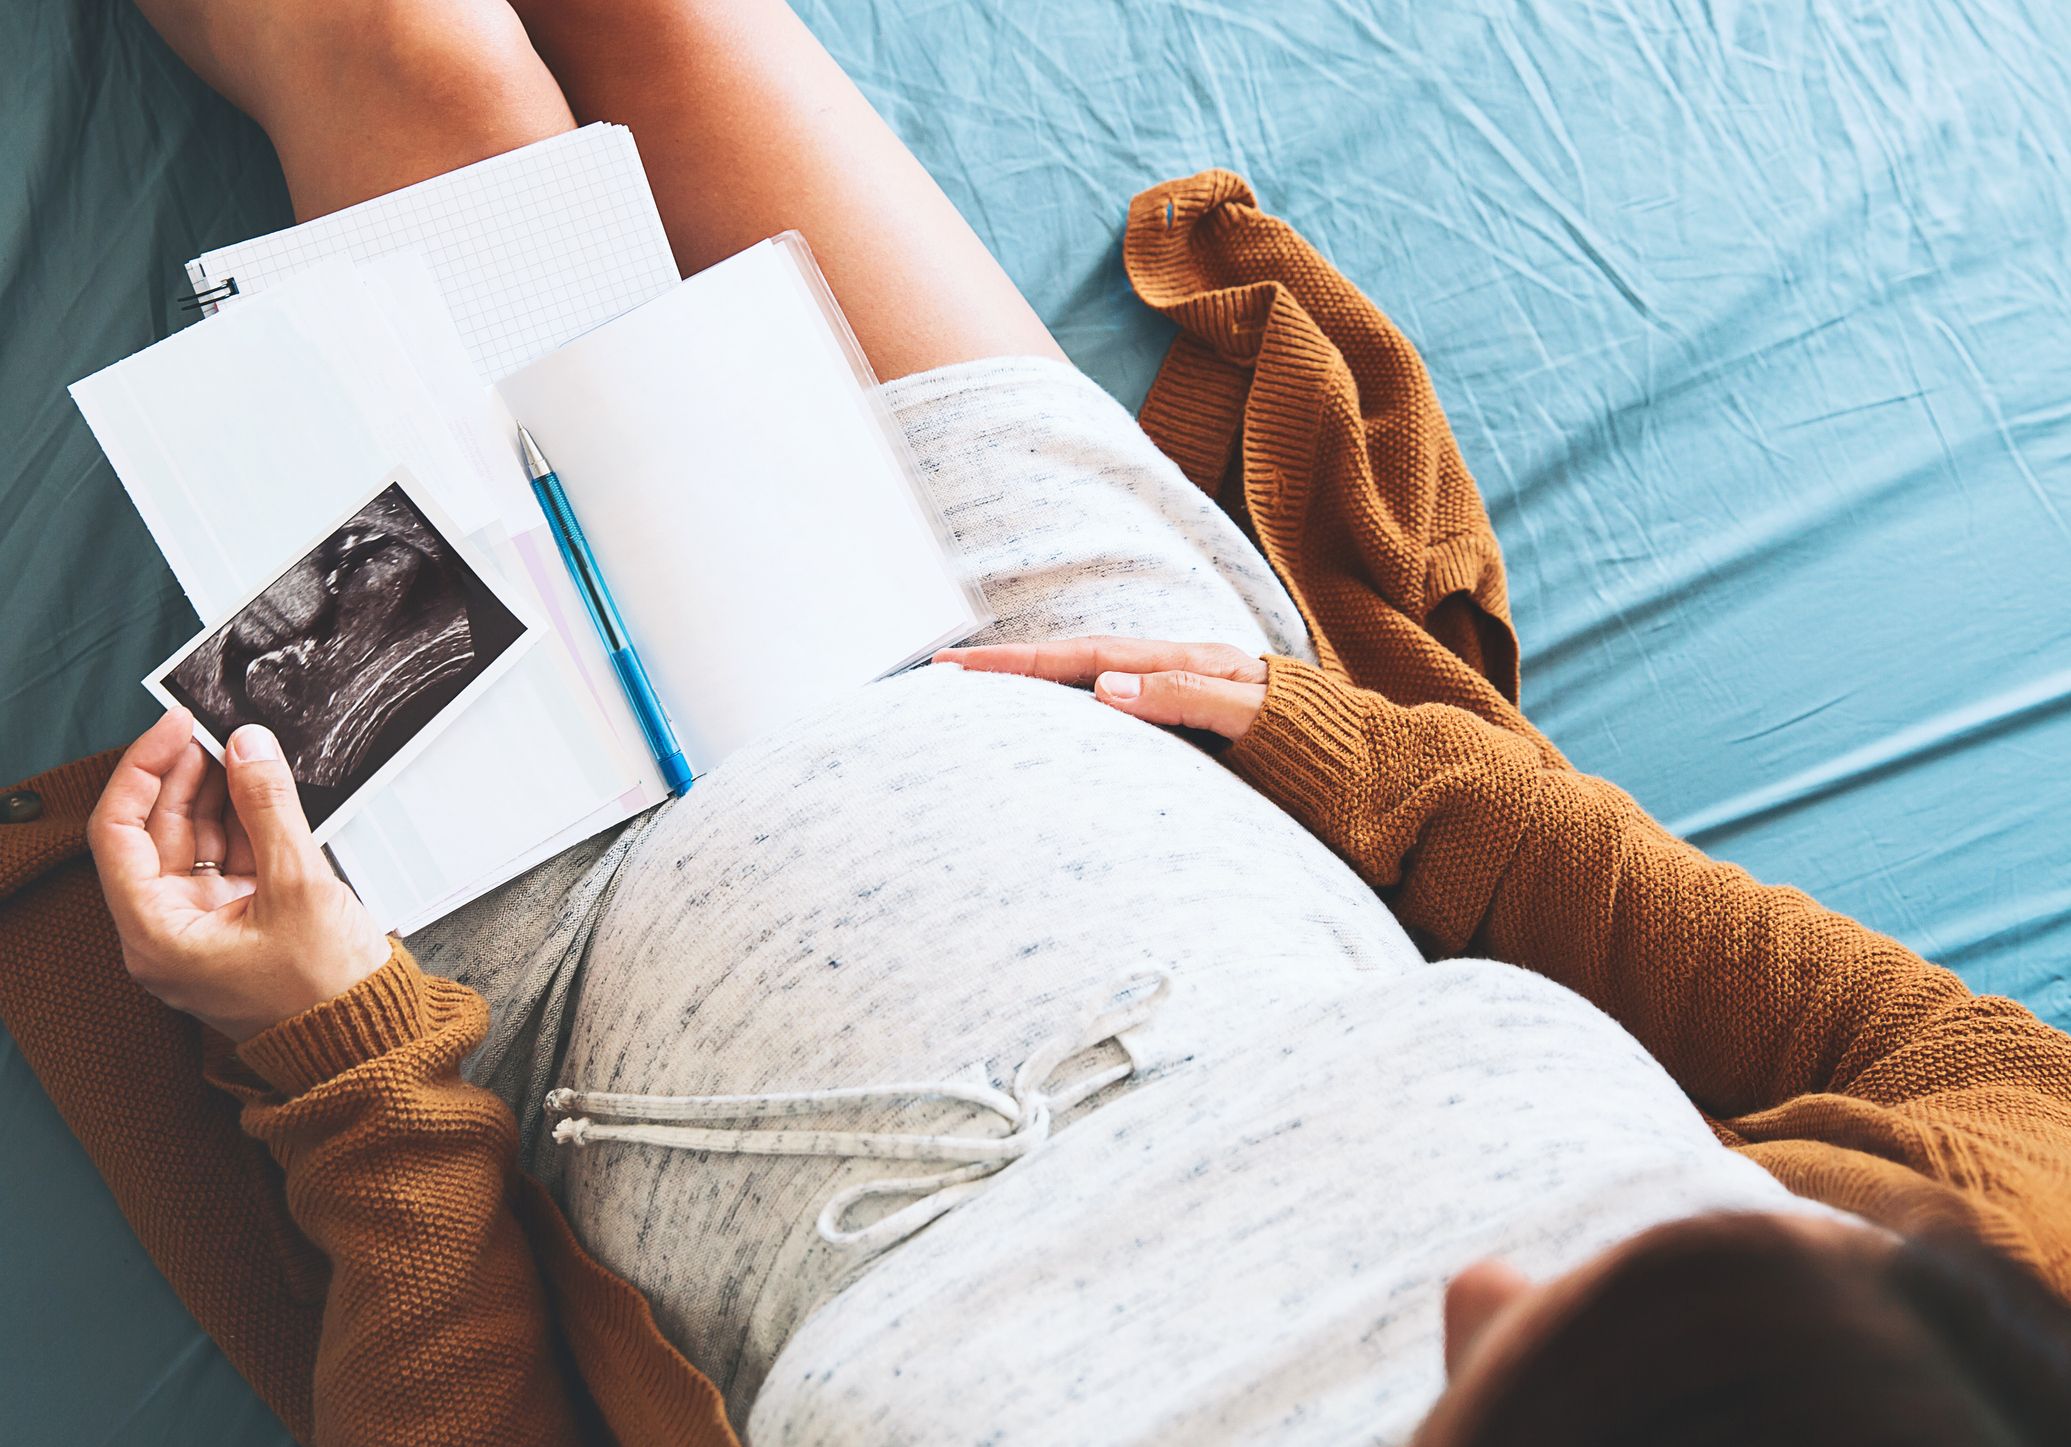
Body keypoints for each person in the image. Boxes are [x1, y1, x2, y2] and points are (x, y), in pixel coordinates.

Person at [88, 0, 2071, 1442]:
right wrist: (1377, 770)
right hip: (1104, 693)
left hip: (557, 885)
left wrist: (341, 1066)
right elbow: (1990, 1079)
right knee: (670, 25)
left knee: (407, 58)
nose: (1472, 1273)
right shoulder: (1913, 1365)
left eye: (1481, 1384)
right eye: (1623, 1231)